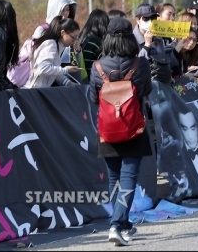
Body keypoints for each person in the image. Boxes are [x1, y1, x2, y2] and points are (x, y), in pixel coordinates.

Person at [89, 17, 152, 246]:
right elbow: (147, 90)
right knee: (128, 179)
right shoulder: (140, 64)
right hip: (133, 127)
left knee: (114, 179)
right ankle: (117, 224)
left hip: (107, 131)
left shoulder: (97, 67)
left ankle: (122, 223)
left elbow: (93, 98)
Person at [23, 16, 81, 88]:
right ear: (63, 33)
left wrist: (67, 82)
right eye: (73, 37)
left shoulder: (58, 46)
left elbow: (53, 71)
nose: (74, 40)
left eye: (76, 38)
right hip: (34, 90)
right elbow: (43, 68)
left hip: (40, 90)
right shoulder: (51, 44)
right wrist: (66, 70)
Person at [133, 3, 175, 84]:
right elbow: (137, 66)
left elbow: (163, 59)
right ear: (138, 20)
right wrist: (146, 45)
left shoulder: (158, 39)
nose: (150, 21)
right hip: (142, 85)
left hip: (159, 83)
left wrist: (168, 75)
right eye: (146, 18)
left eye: (153, 18)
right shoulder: (132, 39)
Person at [78, 8, 109, 84]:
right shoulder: (96, 42)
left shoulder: (82, 38)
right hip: (94, 82)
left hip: (82, 81)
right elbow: (105, 65)